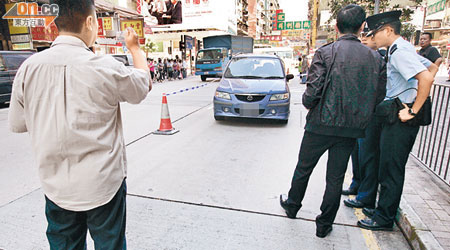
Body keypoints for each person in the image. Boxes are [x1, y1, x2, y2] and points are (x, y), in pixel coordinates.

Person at [8, 0, 151, 248]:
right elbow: (141, 86)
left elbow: (18, 124)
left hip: (57, 187)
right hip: (103, 184)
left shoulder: (28, 68)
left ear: (56, 26)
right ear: (89, 22)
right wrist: (135, 49)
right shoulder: (105, 67)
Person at [279, 4, 386, 238]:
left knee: (304, 168)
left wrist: (309, 103)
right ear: (361, 28)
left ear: (336, 27)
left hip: (320, 124)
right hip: (351, 128)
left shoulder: (325, 52)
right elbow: (378, 95)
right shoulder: (375, 58)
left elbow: (313, 91)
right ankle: (324, 224)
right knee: (335, 178)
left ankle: (293, 205)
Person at [357, 11, 436, 231]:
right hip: (396, 113)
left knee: (391, 169)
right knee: (388, 166)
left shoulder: (400, 51)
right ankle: (383, 210)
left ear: (388, 30)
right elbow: (432, 66)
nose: (373, 37)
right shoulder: (401, 48)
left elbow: (427, 77)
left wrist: (412, 109)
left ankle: (384, 218)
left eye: (375, 33)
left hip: (400, 117)